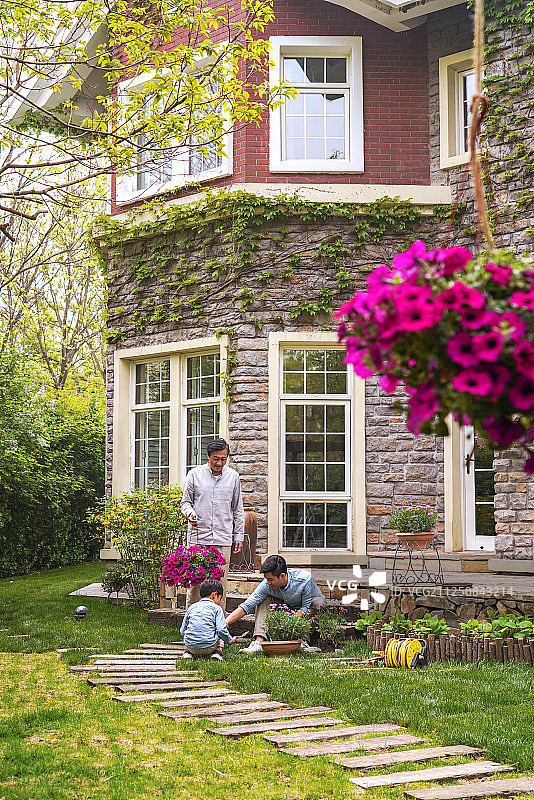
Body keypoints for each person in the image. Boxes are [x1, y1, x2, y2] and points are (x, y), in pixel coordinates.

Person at [180, 438, 244, 609]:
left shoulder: (233, 477)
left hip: (222, 539)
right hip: (198, 538)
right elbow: (185, 503)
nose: (219, 463)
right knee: (195, 584)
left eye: (223, 459)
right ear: (208, 456)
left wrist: (238, 536)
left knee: (219, 585)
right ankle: (193, 622)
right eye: (216, 458)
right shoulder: (194, 474)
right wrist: (190, 513)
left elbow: (238, 509)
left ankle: (218, 624)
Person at [225, 554, 325, 653]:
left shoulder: (304, 579)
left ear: (282, 576)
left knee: (319, 602)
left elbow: (305, 607)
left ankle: (301, 642)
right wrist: (225, 622)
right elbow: (247, 605)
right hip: (287, 610)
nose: (267, 582)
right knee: (264, 599)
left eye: (270, 579)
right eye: (266, 579)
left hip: (305, 611)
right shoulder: (267, 585)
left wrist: (294, 618)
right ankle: (259, 642)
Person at [180, 579, 235, 661]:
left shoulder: (192, 607)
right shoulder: (217, 608)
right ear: (215, 595)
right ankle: (217, 653)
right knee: (221, 631)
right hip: (209, 647)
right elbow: (221, 630)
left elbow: (182, 630)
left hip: (190, 646)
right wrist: (230, 640)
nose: (219, 601)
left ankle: (188, 653)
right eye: (219, 598)